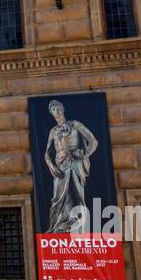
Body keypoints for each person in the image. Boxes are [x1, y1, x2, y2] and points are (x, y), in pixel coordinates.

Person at [43, 99, 98, 233]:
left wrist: (84, 154)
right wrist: (51, 166)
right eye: (53, 110)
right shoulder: (53, 131)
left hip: (75, 163)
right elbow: (47, 153)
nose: (56, 111)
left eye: (57, 108)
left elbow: (93, 141)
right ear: (51, 113)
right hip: (60, 166)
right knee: (58, 198)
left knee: (78, 194)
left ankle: (80, 225)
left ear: (62, 108)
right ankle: (58, 226)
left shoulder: (75, 125)